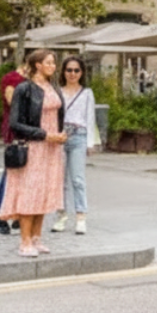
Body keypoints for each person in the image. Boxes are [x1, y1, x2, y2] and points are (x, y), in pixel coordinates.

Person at [0, 50, 67, 257]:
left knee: (45, 192)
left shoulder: (53, 87)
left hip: (52, 148)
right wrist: (45, 135)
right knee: (30, 192)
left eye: (54, 63)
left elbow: (58, 114)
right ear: (37, 65)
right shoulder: (24, 88)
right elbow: (15, 122)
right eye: (49, 62)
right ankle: (25, 240)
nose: (53, 66)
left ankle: (37, 237)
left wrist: (61, 134)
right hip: (34, 146)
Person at [52, 56, 94, 235]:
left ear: (82, 73)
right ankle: (61, 215)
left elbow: (90, 118)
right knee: (59, 180)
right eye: (69, 70)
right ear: (63, 72)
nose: (72, 74)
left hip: (79, 136)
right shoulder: (57, 92)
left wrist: (90, 143)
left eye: (76, 70)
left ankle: (81, 217)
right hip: (60, 137)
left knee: (77, 179)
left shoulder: (86, 93)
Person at [0, 60, 28, 235]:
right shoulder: (13, 79)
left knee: (23, 176)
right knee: (10, 174)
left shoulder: (30, 81)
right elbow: (12, 102)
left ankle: (17, 215)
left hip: (26, 133)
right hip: (16, 133)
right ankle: (2, 216)